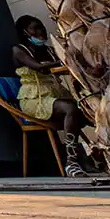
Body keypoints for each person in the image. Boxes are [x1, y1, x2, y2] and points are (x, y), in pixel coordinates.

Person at [13, 15, 89, 177]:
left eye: (41, 27)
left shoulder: (49, 50)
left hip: (55, 95)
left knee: (88, 109)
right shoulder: (19, 50)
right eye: (35, 28)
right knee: (70, 109)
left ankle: (99, 154)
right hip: (35, 99)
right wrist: (65, 62)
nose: (41, 31)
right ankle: (72, 162)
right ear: (25, 32)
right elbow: (38, 67)